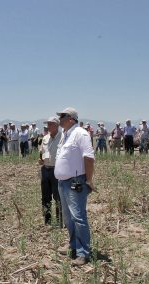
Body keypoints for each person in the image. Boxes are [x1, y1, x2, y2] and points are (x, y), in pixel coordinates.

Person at [54, 107, 95, 266]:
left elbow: (89, 158)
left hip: (75, 182)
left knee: (78, 217)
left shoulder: (81, 133)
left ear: (71, 119)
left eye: (62, 116)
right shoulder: (65, 135)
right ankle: (73, 246)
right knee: (69, 218)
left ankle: (83, 253)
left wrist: (89, 180)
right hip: (62, 183)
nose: (60, 119)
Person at [39, 117, 62, 227]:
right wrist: (41, 159)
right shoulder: (45, 138)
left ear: (57, 125)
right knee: (45, 197)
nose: (48, 126)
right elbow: (42, 152)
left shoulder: (63, 138)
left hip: (57, 170)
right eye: (48, 124)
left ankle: (60, 221)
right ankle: (47, 222)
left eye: (51, 124)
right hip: (45, 170)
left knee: (58, 197)